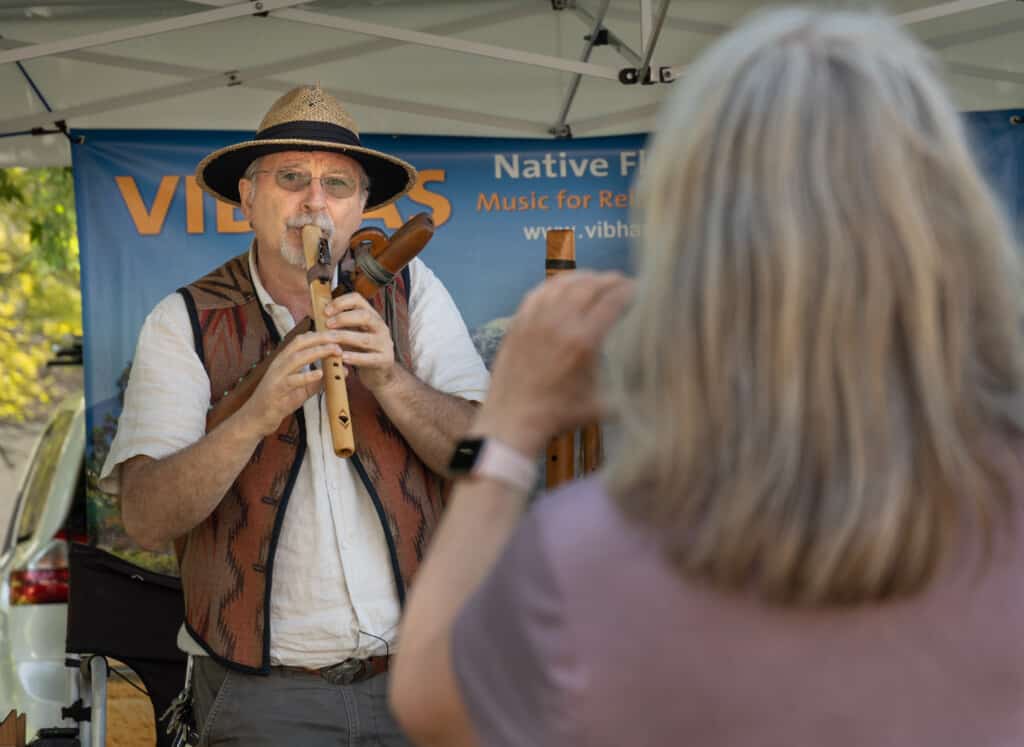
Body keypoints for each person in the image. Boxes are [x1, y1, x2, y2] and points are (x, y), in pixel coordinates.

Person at [389, 8, 1024, 746]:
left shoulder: (589, 553)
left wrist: (505, 433)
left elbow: (432, 702)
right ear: (953, 220)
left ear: (688, 245)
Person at [98, 84, 489, 746]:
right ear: (249, 199)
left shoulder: (413, 292)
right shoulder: (184, 320)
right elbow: (144, 514)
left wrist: (390, 378)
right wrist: (253, 415)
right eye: (292, 178)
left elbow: (485, 455)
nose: (316, 201)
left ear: (361, 205)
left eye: (337, 184)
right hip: (262, 699)